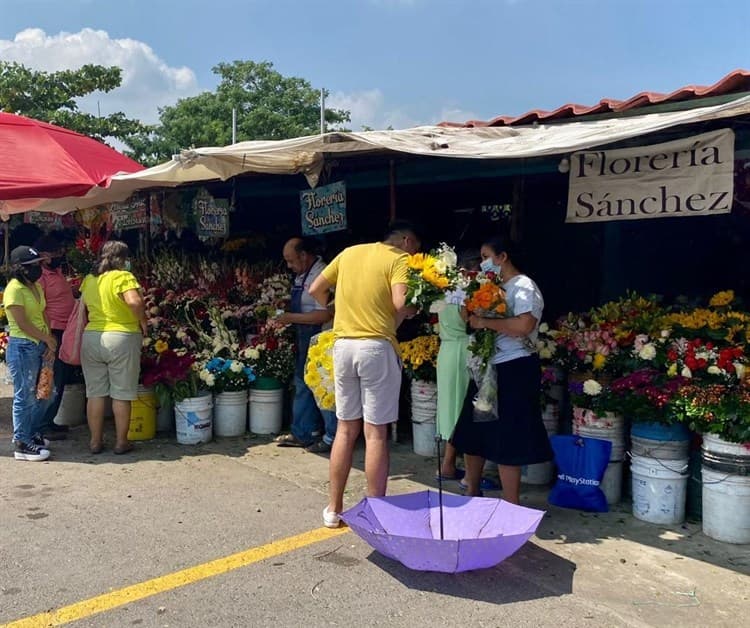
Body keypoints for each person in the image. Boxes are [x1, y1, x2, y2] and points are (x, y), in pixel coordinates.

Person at [309, 220, 420, 528]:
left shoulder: (349, 253)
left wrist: (335, 310)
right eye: (416, 248)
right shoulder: (399, 260)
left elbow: (315, 288)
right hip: (376, 348)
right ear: (406, 241)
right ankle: (375, 513)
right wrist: (415, 306)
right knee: (376, 433)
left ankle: (334, 508)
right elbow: (401, 302)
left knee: (345, 430)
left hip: (342, 346)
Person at [451, 235, 552, 504]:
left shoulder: (523, 286)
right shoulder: (490, 285)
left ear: (502, 257)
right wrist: (467, 303)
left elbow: (523, 326)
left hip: (514, 367)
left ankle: (511, 503)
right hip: (486, 367)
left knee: (510, 435)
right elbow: (471, 321)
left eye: (486, 256)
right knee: (474, 431)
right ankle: (472, 490)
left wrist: (486, 322)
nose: (482, 263)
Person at [80, 241, 147, 455]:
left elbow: (83, 308)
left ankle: (95, 442)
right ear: (123, 259)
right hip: (121, 336)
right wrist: (143, 321)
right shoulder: (123, 277)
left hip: (91, 337)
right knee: (122, 393)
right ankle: (121, 442)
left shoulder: (89, 279)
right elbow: (135, 302)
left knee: (95, 393)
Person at [273, 237, 337, 453]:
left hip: (321, 337)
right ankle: (303, 432)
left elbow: (324, 314)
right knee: (303, 384)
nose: (289, 267)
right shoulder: (302, 275)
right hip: (303, 336)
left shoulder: (322, 273)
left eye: (291, 261)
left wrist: (290, 317)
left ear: (304, 255)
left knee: (323, 387)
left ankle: (332, 436)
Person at [3, 245, 57, 461]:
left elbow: (44, 313)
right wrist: (47, 339)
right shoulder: (14, 289)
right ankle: (22, 442)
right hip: (23, 347)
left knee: (46, 394)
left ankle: (31, 432)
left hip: (40, 345)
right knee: (25, 396)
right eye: (32, 266)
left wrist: (49, 341)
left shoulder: (36, 287)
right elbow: (22, 323)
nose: (37, 269)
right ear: (20, 269)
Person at [34, 234, 76, 441]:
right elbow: (39, 307)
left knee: (60, 377)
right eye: (56, 252)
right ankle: (43, 423)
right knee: (51, 377)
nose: (60, 255)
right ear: (44, 255)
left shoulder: (56, 272)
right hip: (53, 332)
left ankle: (49, 420)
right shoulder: (40, 278)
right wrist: (48, 335)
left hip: (65, 330)